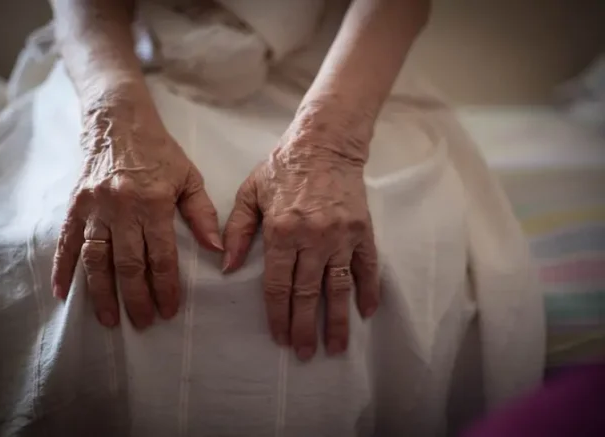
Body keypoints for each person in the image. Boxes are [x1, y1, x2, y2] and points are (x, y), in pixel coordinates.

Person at [49, 0, 430, 361]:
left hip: (347, 71)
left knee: (384, 263)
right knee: (62, 255)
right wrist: (112, 119)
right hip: (112, 63)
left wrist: (331, 144)